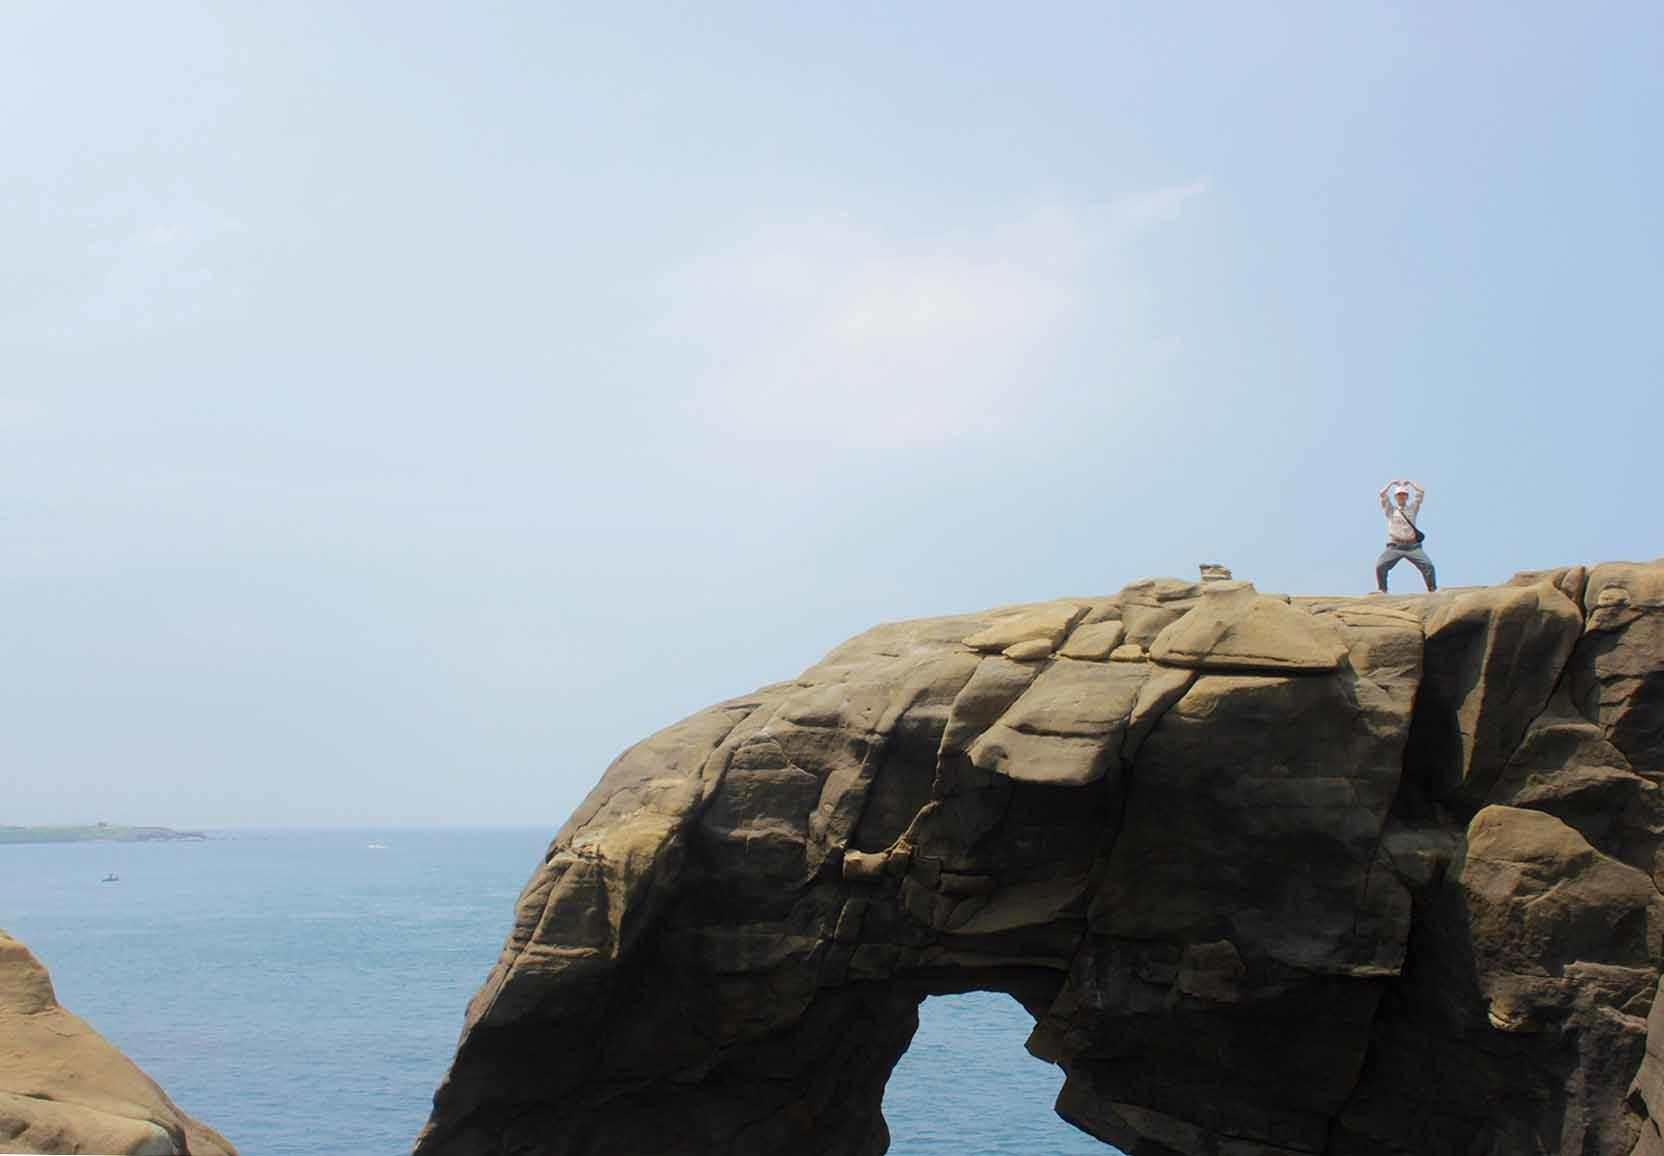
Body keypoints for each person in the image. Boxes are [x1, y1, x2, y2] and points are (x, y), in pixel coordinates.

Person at [1374, 479, 1437, 593]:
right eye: (1399, 495)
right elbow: (1382, 494)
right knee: (1380, 566)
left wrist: (1411, 483)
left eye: (1403, 494)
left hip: (1412, 547)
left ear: (1407, 497)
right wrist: (1391, 483)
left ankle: (1432, 590)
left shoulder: (1412, 509)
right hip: (1395, 546)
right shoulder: (1391, 510)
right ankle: (1382, 590)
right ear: (1395, 497)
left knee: (1428, 566)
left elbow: (1421, 492)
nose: (1401, 497)